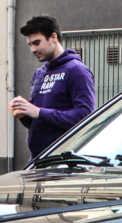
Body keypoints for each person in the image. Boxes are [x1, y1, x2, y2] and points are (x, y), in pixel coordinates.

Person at [9, 15, 96, 161]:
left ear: (53, 37)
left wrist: (40, 112)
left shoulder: (76, 71)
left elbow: (85, 116)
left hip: (65, 162)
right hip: (38, 160)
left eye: (37, 43)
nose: (33, 49)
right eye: (30, 45)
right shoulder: (39, 74)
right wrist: (22, 112)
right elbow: (35, 120)